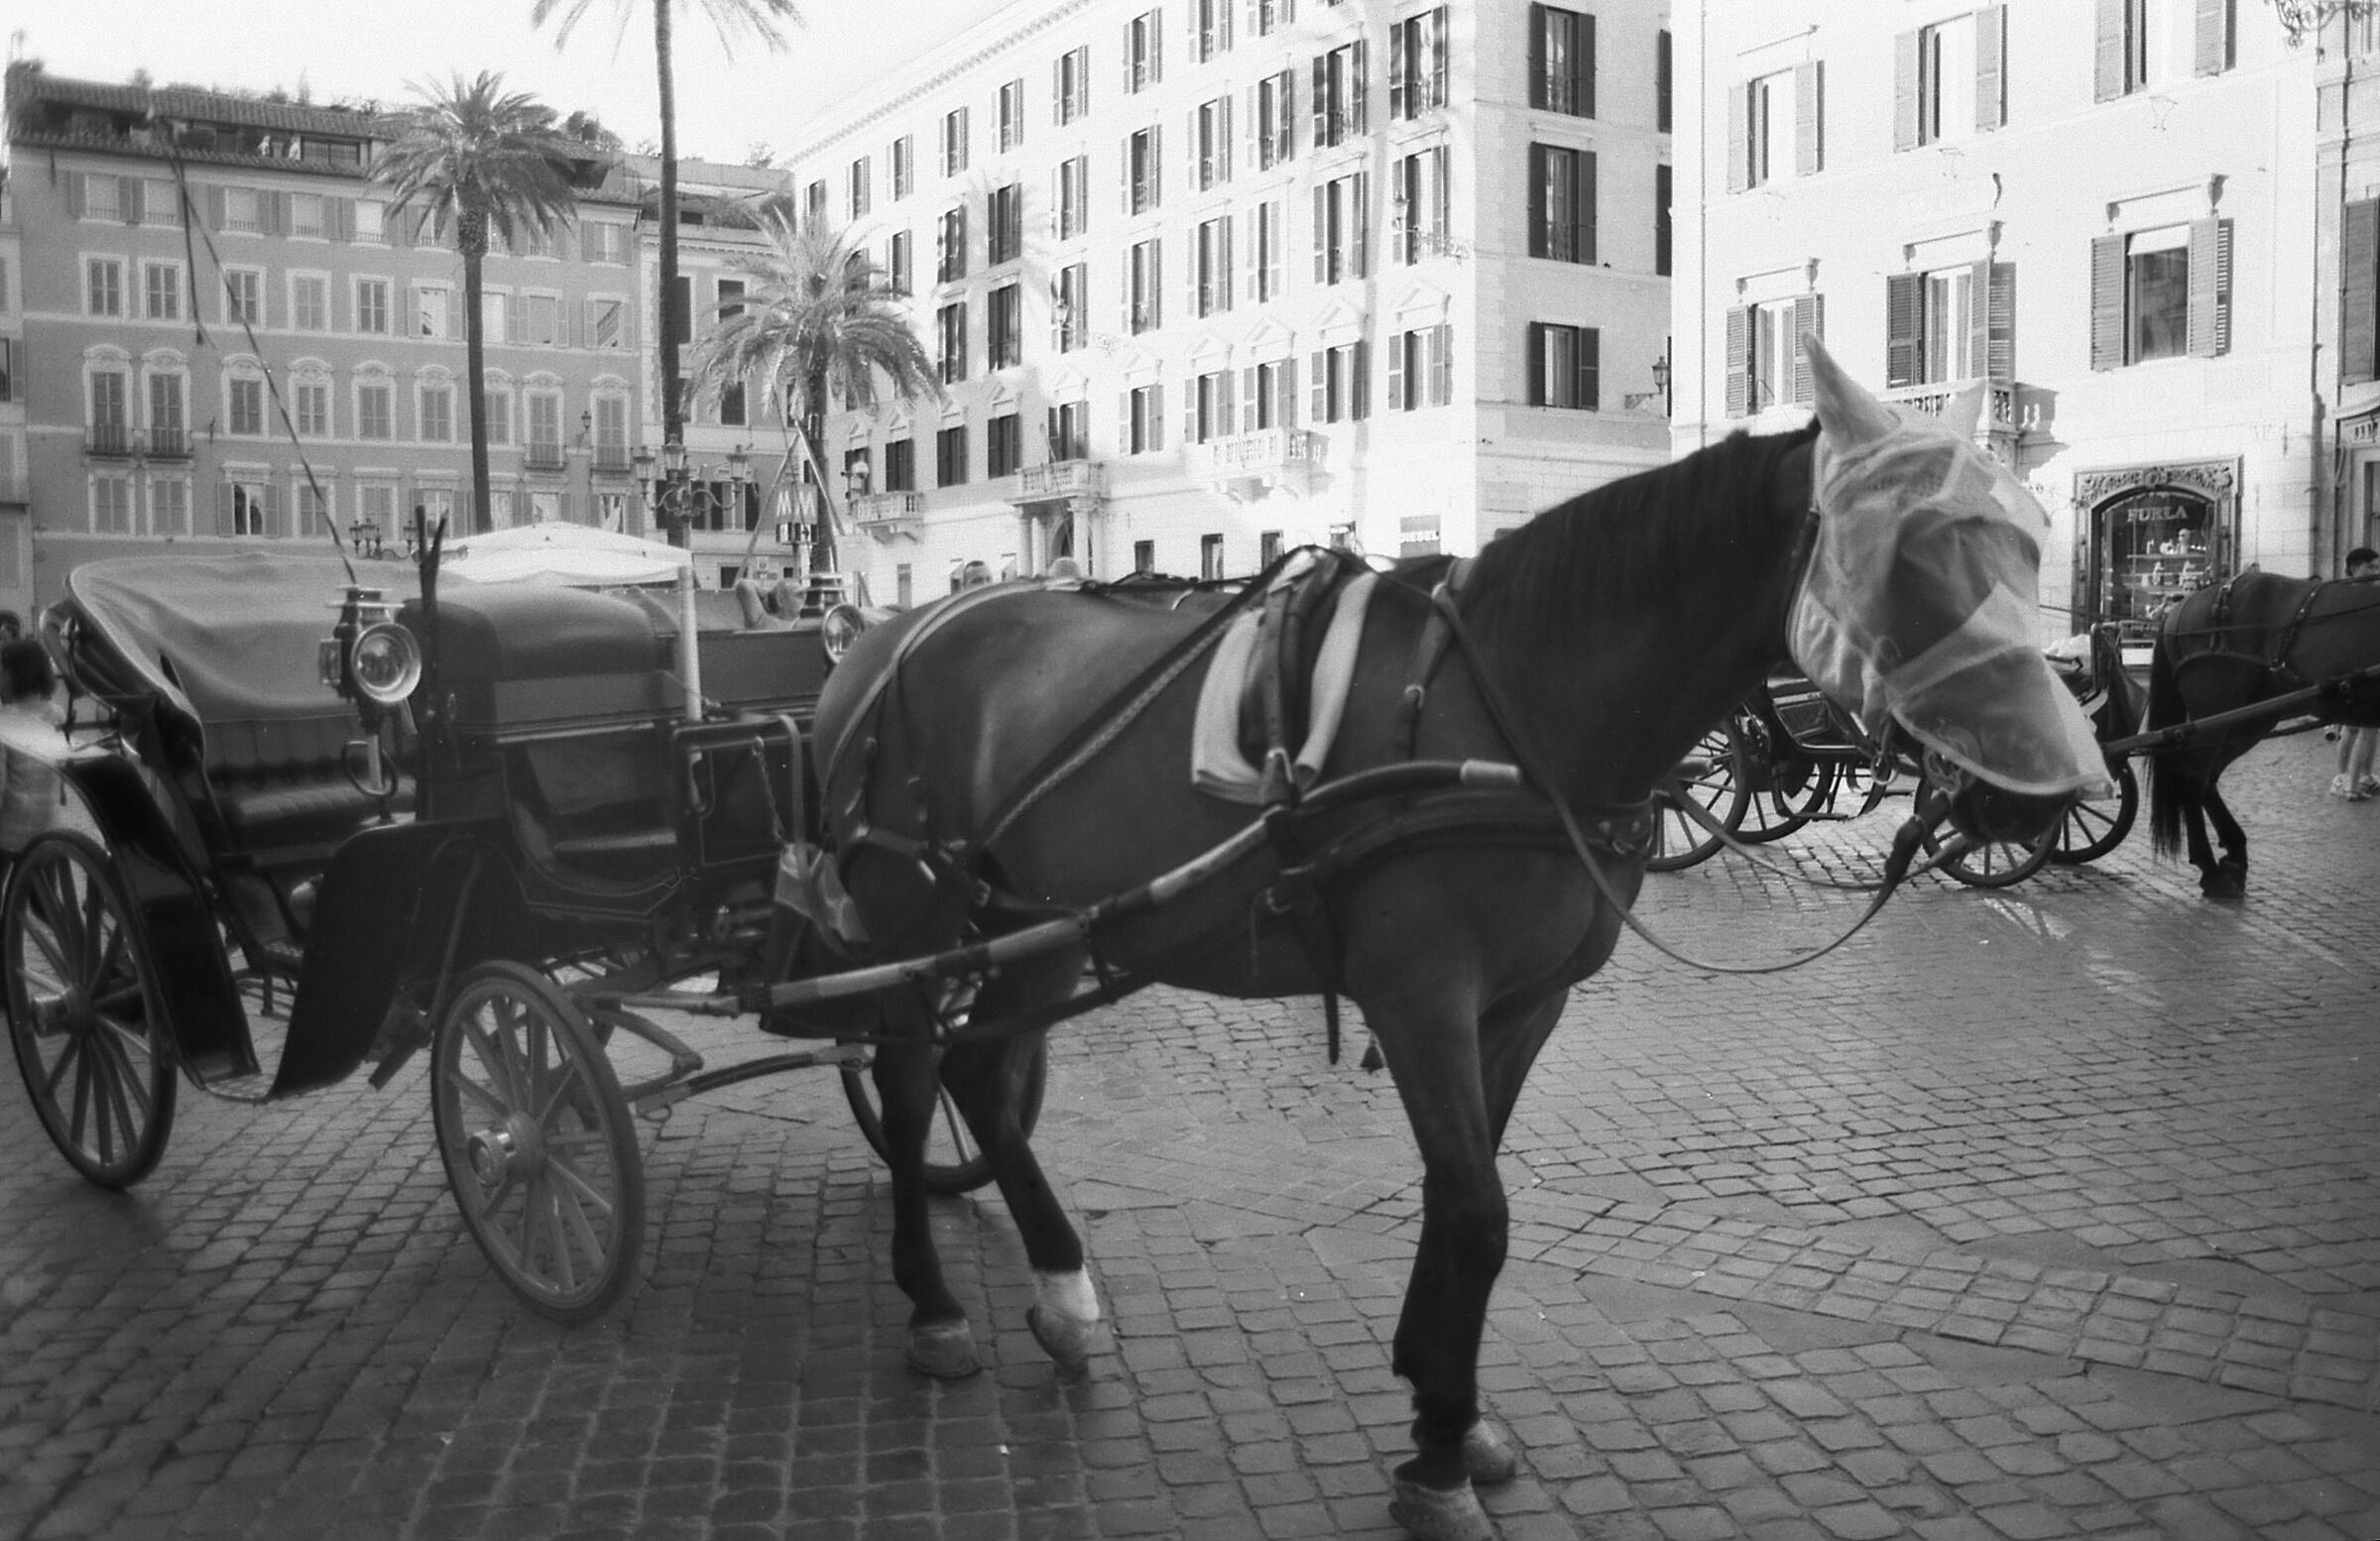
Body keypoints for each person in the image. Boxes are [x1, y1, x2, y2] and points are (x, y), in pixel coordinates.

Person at [0, 639, 66, 869]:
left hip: (9, 830)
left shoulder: (4, 721)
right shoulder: (57, 714)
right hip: (48, 825)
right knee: (45, 901)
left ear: (9, 674)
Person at [2332, 546, 2380, 800]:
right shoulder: (2347, 594)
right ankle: (2345, 780)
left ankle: (2363, 775)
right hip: (2356, 667)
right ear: (2353, 568)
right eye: (2369, 567)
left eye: (2376, 567)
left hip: (2366, 664)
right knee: (2358, 726)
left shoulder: (2372, 591)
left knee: (2366, 727)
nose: (2375, 572)